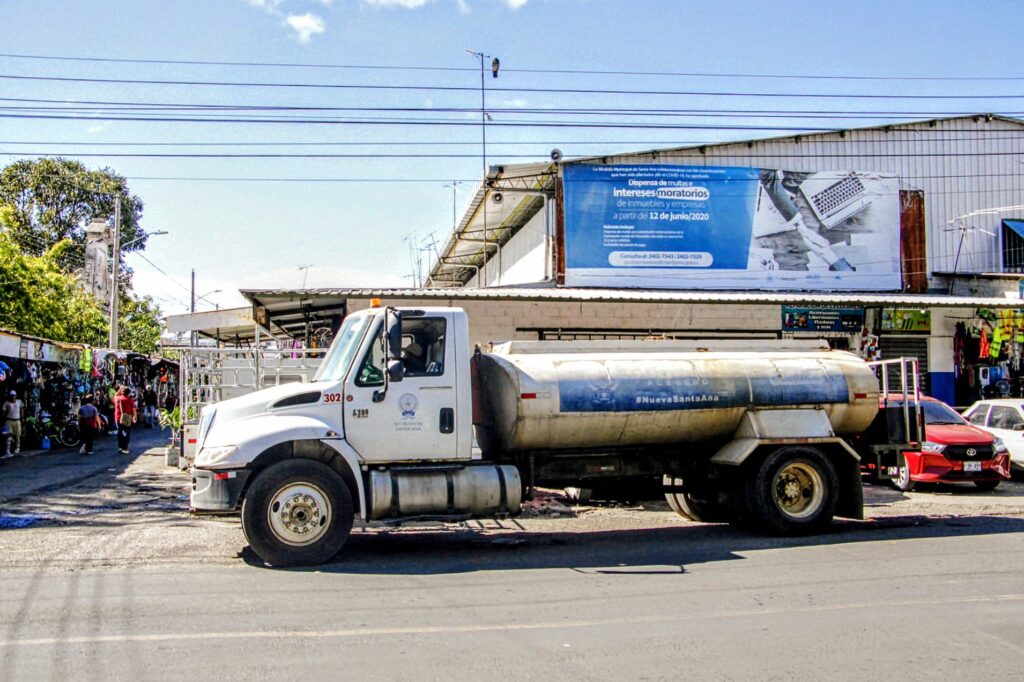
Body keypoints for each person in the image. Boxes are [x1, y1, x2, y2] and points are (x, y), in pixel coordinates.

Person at [113, 386, 137, 454]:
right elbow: (134, 410)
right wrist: (135, 417)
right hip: (127, 418)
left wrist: (120, 388)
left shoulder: (117, 398)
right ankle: (125, 448)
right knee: (126, 433)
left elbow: (115, 395)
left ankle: (120, 447)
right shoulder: (129, 400)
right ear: (128, 393)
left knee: (120, 432)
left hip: (118, 418)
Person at [2, 390, 24, 456]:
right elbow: (3, 412)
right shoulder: (6, 403)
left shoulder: (19, 402)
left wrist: (22, 418)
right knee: (8, 436)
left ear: (16, 396)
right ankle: (7, 450)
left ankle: (17, 447)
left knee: (18, 435)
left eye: (14, 395)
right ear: (9, 396)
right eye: (11, 396)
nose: (12, 397)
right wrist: (4, 420)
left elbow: (22, 410)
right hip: (9, 420)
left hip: (17, 420)